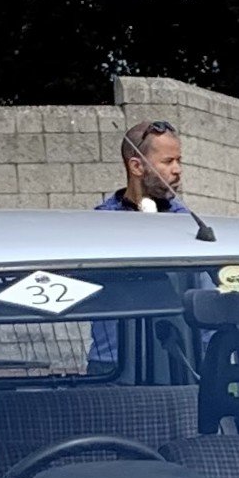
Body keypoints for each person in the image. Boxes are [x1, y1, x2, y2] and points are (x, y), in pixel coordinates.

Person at [90, 121, 190, 371]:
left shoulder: (189, 225)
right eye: (168, 162)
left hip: (178, 360)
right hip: (111, 365)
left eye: (179, 161)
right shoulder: (97, 226)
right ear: (136, 166)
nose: (177, 170)